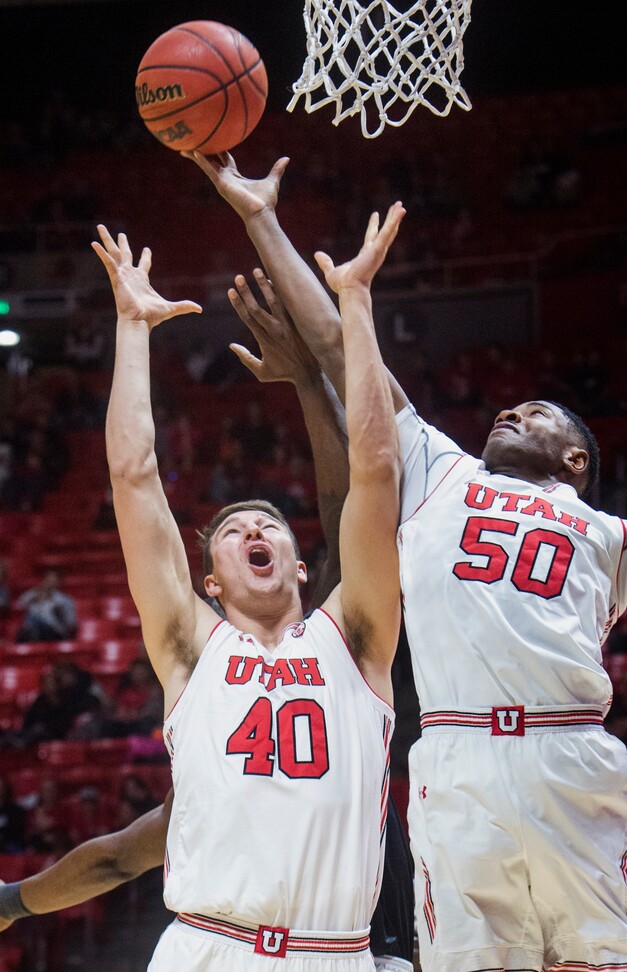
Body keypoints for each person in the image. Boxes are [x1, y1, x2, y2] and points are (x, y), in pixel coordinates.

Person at [180, 150, 627, 972]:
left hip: (570, 751)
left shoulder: (609, 534)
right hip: (455, 759)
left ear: (574, 461)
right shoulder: (439, 471)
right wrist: (259, 217)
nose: (511, 409)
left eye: (537, 414)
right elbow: (340, 351)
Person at [1, 207, 403, 972]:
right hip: (206, 948)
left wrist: (355, 307)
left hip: (336, 953)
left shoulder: (356, 633)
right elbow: (133, 476)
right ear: (210, 580)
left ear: (300, 561)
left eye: (271, 526)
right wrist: (131, 326)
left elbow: (376, 472)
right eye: (234, 529)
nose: (257, 531)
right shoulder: (191, 646)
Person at [15, 569, 78, 642]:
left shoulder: (65, 600)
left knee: (36, 623)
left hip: (54, 632)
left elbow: (71, 623)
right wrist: (34, 599)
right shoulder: (33, 594)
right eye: (48, 579)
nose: (49, 582)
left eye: (53, 579)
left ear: (59, 582)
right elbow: (19, 605)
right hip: (31, 629)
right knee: (27, 628)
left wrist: (59, 613)